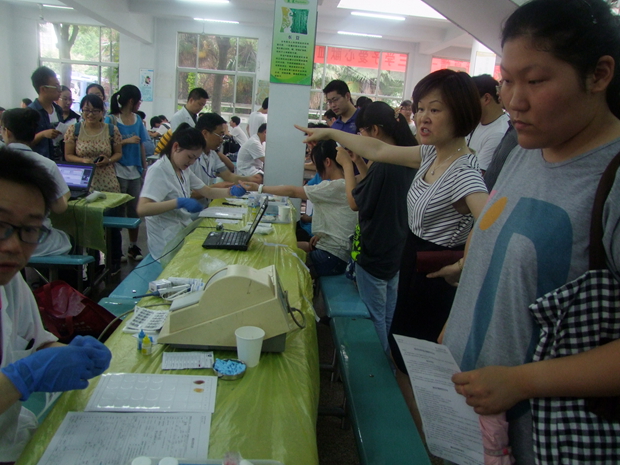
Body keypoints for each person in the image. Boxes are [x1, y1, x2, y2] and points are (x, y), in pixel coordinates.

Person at [437, 0, 620, 462]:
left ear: (599, 75)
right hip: (476, 419)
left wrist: (521, 381)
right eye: (507, 79)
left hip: (543, 438)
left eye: (535, 81)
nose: (513, 100)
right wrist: (452, 329)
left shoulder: (610, 180)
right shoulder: (522, 149)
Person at [297, 68, 488, 431]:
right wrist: (330, 131)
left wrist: (465, 263)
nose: (422, 117)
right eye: (420, 108)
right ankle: (415, 434)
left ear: (461, 113)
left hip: (434, 276)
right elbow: (379, 148)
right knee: (405, 358)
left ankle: (426, 441)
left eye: (436, 109)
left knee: (420, 363)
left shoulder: (464, 170)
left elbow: (491, 221)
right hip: (411, 263)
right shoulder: (433, 154)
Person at [0, 148, 111, 462]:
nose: (12, 245)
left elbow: (34, 344)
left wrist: (72, 355)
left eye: (29, 230)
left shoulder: (11, 285)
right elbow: (27, 370)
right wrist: (24, 376)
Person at [337, 101, 417, 354]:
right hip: (395, 249)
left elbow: (354, 202)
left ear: (374, 131)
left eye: (361, 132)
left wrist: (348, 166)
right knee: (387, 316)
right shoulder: (406, 158)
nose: (359, 138)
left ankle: (379, 372)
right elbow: (374, 190)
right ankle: (389, 365)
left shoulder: (384, 165)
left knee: (374, 318)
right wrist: (360, 162)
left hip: (374, 252)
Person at [241, 140, 357, 277]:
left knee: (278, 260)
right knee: (282, 247)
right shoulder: (348, 184)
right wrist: (321, 235)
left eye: (316, 164)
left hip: (332, 258)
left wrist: (259, 188)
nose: (316, 169)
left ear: (327, 162)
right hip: (333, 252)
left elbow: (293, 191)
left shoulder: (334, 187)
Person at [137, 124, 241, 260]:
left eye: (195, 159)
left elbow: (208, 191)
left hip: (181, 234)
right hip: (165, 243)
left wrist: (232, 191)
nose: (191, 162)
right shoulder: (159, 170)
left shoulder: (183, 169)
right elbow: (142, 208)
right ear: (176, 147)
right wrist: (178, 202)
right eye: (190, 157)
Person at [1, 108, 72, 258]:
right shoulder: (46, 165)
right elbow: (60, 208)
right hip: (34, 240)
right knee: (67, 239)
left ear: (7, 132)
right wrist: (65, 195)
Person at [107, 84, 148, 261]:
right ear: (131, 101)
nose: (139, 104)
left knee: (134, 210)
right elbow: (107, 146)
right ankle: (116, 249)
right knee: (117, 211)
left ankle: (133, 246)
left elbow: (141, 145)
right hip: (118, 170)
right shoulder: (112, 120)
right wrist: (126, 141)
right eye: (138, 101)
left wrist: (144, 166)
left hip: (135, 170)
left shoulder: (138, 120)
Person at [193, 113, 261, 196]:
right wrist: (215, 187)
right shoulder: (191, 157)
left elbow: (228, 176)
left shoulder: (212, 154)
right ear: (205, 133)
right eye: (220, 135)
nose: (222, 140)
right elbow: (186, 194)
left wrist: (251, 179)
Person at [467, 74, 511, 172]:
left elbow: (477, 175)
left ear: (486, 98)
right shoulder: (475, 123)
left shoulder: (499, 133)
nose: (465, 106)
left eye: (468, 100)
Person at [28, 66, 63, 160]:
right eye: (56, 86)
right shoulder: (30, 112)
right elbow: (25, 143)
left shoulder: (58, 110)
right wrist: (42, 134)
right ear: (43, 89)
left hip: (59, 162)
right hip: (41, 163)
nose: (59, 90)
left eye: (59, 86)